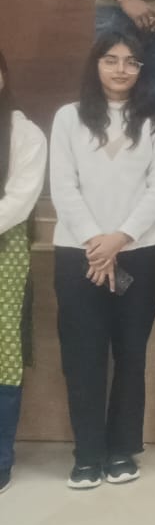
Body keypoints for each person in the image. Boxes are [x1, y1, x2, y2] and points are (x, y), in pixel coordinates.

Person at [50, 33, 155, 489]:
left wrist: (119, 239)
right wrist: (95, 241)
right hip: (77, 254)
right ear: (96, 64)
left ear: (142, 69)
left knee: (130, 354)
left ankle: (121, 450)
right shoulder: (69, 117)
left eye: (131, 62)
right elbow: (63, 186)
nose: (121, 69)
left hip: (139, 252)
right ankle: (87, 455)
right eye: (111, 60)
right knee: (82, 357)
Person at [0, 50, 47, 496]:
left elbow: (19, 199)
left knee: (3, 353)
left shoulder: (23, 132)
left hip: (5, 247)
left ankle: (0, 459)